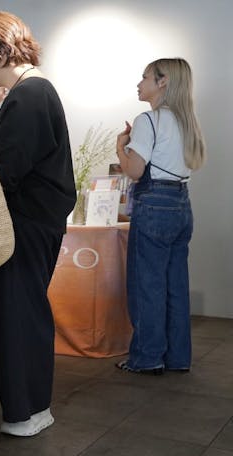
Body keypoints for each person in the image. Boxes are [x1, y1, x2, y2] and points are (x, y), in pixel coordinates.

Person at [0, 11, 76, 437]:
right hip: (25, 224)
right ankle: (13, 407)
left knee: (20, 314)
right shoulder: (31, 94)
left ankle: (30, 410)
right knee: (7, 313)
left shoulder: (29, 96)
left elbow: (7, 172)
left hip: (25, 225)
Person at [115, 58, 205, 374]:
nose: (140, 84)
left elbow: (136, 171)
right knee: (175, 285)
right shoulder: (187, 121)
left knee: (147, 285)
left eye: (145, 77)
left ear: (163, 81)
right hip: (181, 205)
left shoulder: (148, 120)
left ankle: (148, 357)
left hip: (153, 204)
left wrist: (120, 148)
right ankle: (178, 358)